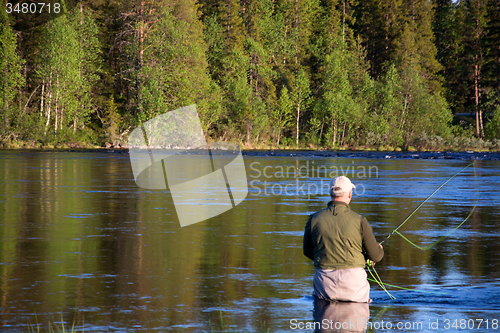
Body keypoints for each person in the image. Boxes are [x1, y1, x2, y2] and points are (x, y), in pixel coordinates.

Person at [303, 176, 383, 303]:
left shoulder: (314, 219)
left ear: (330, 193)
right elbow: (377, 256)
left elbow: (307, 251)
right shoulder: (360, 221)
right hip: (354, 286)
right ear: (350, 194)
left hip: (324, 285)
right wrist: (377, 250)